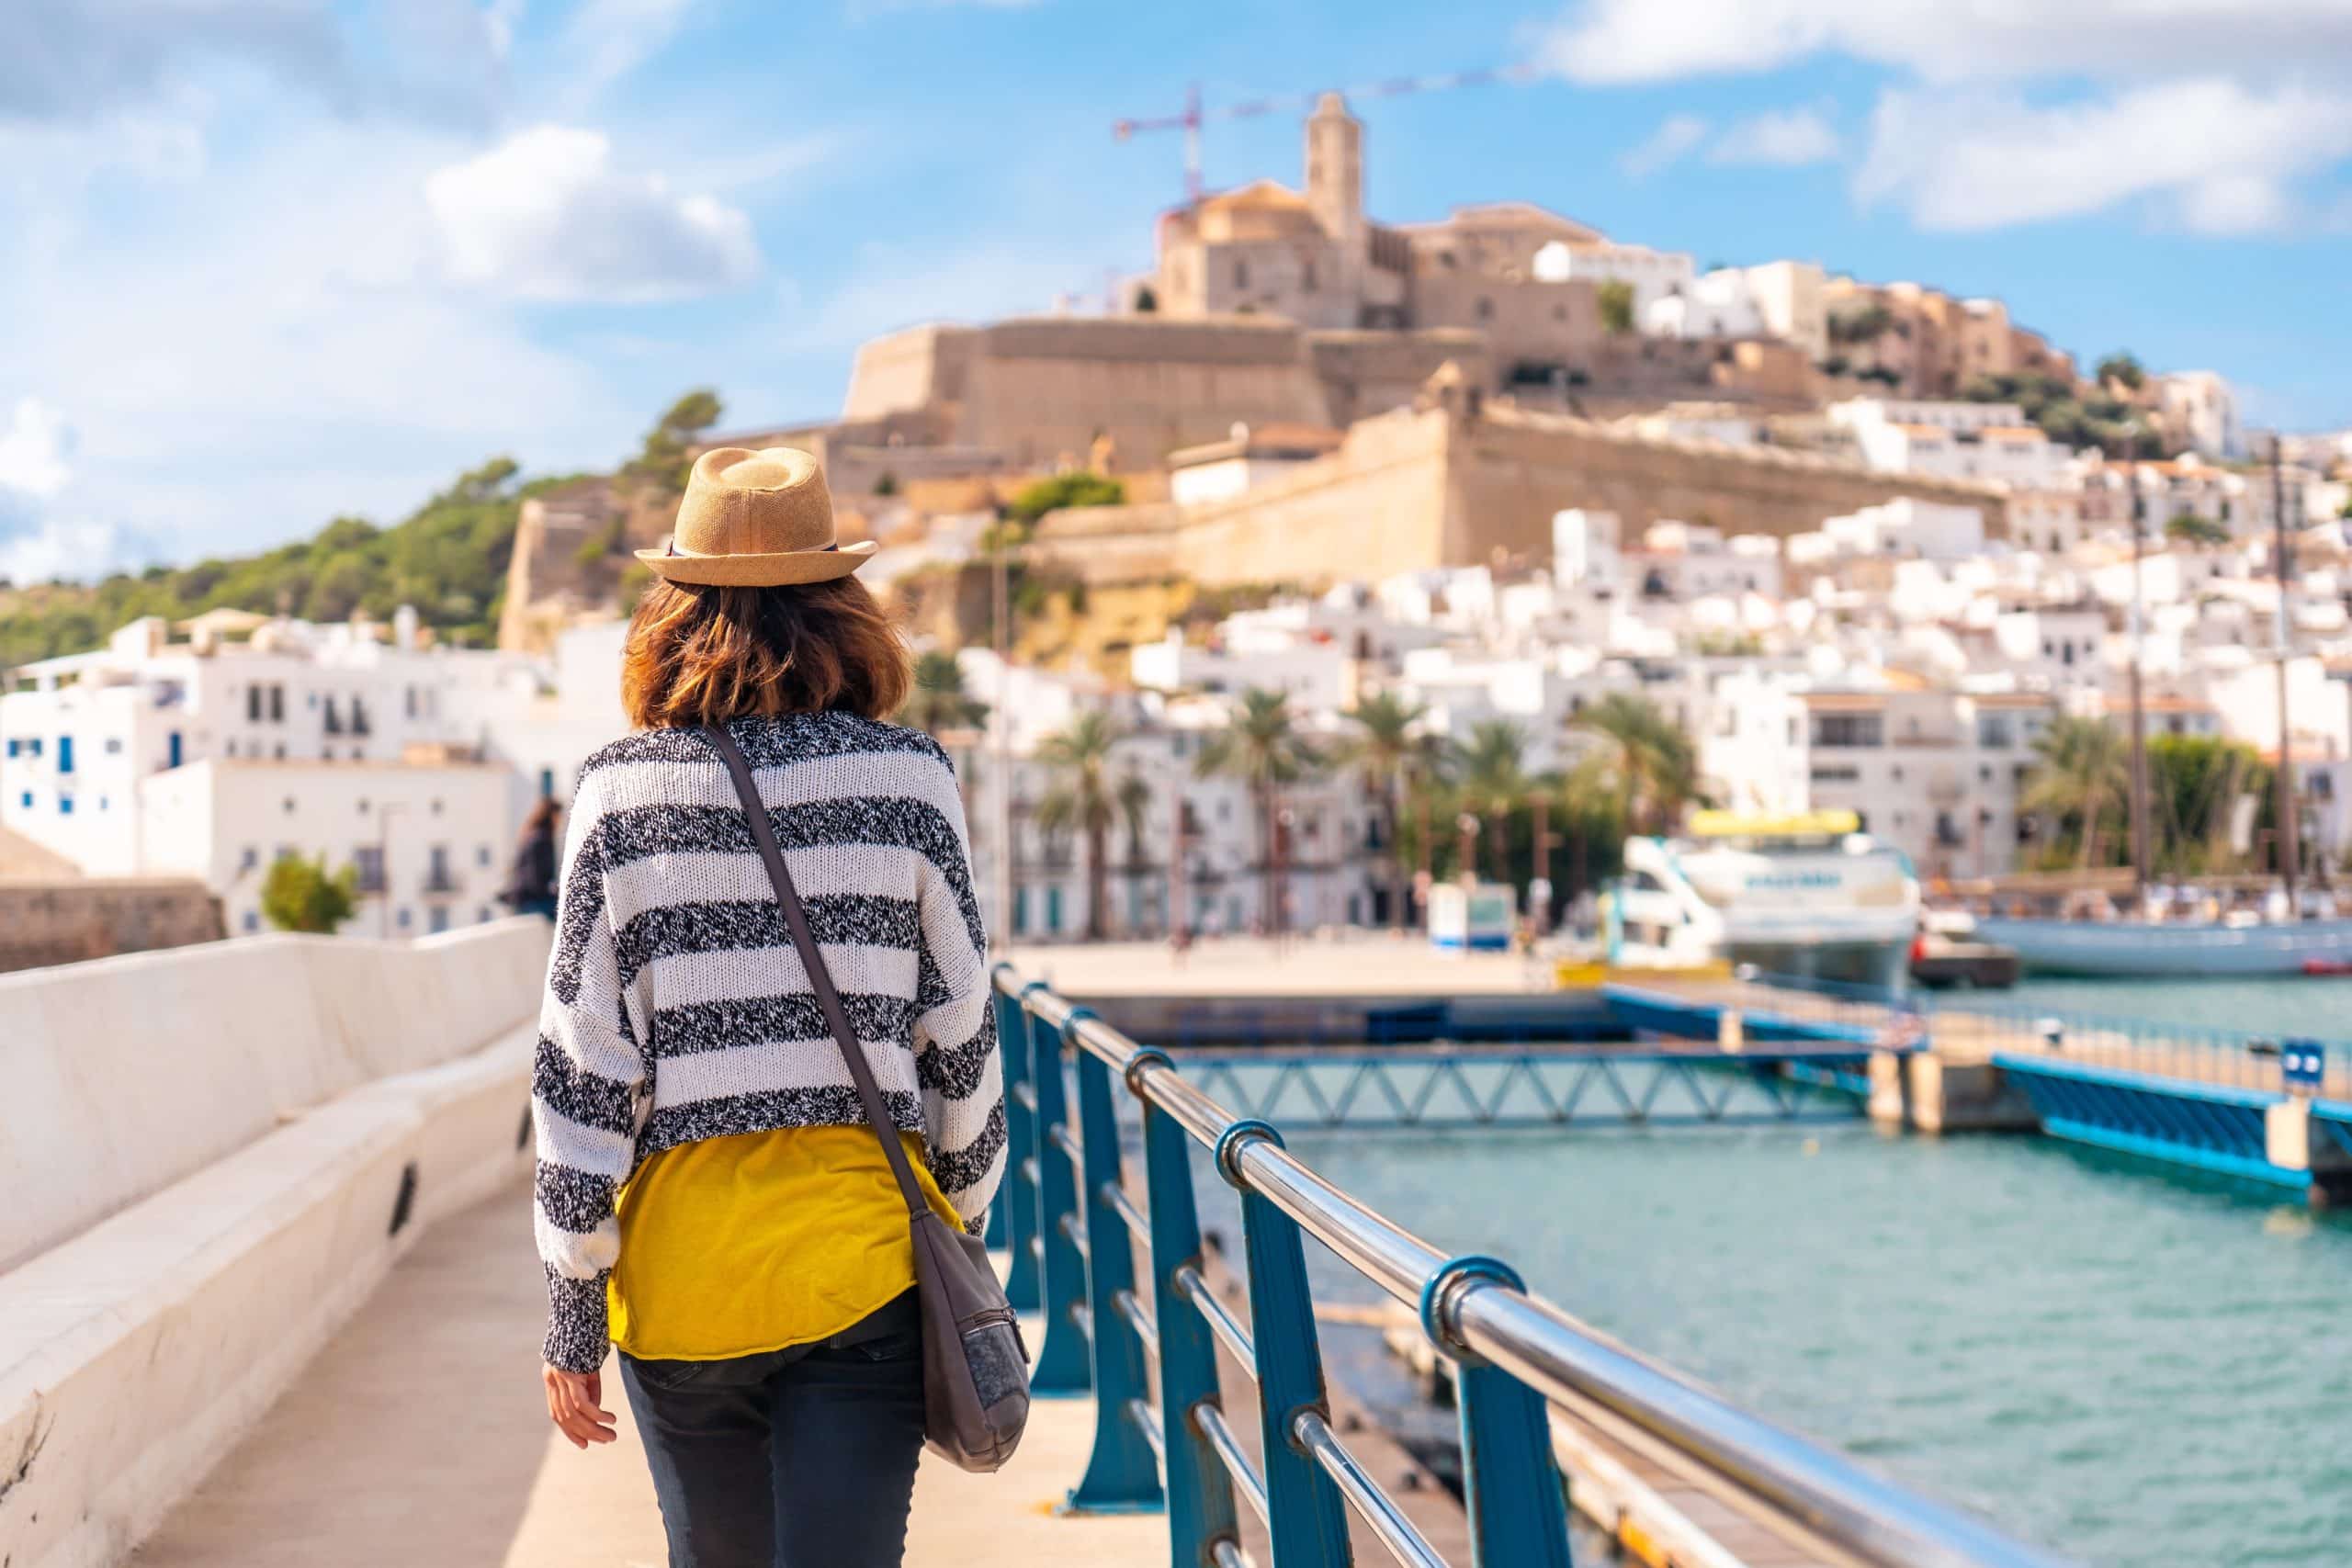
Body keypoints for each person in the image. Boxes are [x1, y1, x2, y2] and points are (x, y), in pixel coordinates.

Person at [530, 446, 1003, 1568]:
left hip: (683, 1281)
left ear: (668, 616)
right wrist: (962, 1222)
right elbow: (960, 1037)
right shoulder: (909, 780)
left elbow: (582, 1070)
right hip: (862, 1263)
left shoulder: (617, 792)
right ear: (845, 611)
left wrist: (572, 1309)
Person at [501, 796, 562, 919]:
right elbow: (536, 878)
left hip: (521, 899)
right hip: (529, 901)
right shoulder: (542, 839)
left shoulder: (532, 836)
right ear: (552, 815)